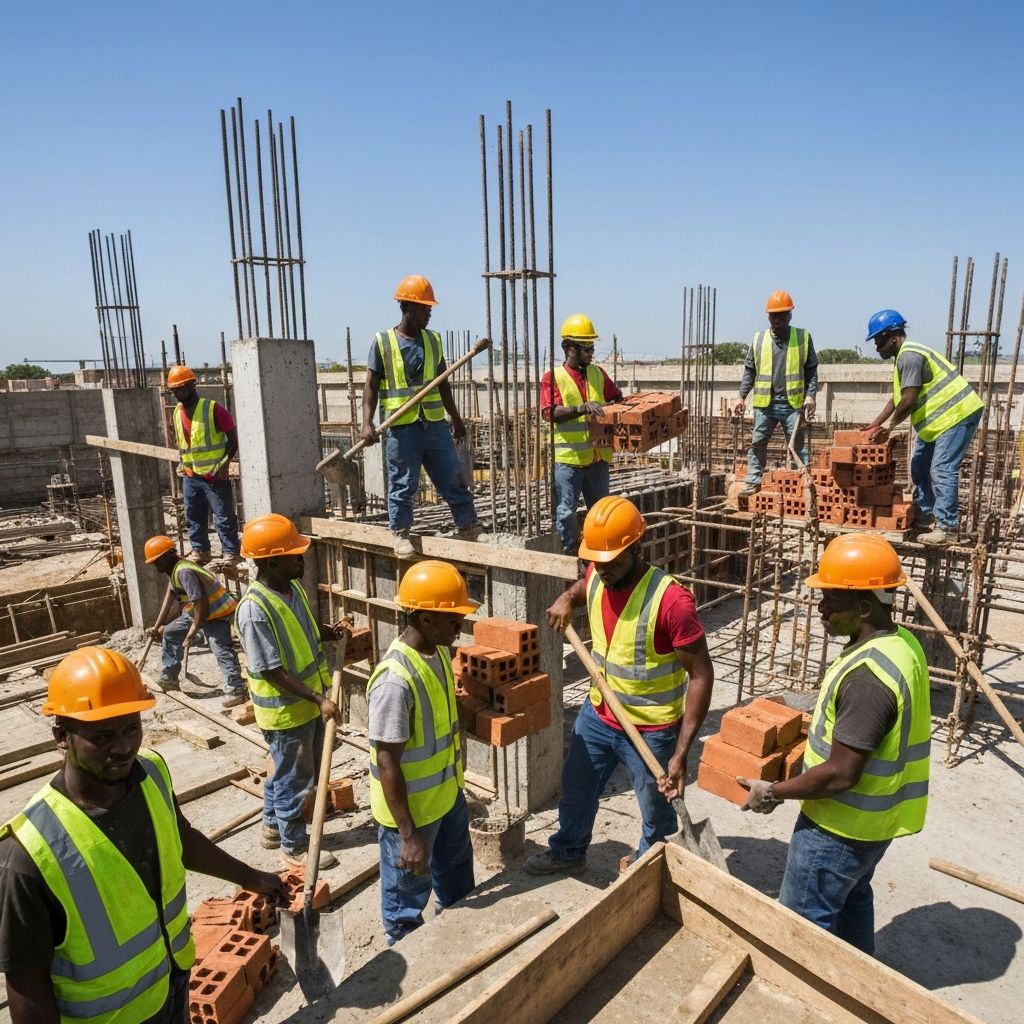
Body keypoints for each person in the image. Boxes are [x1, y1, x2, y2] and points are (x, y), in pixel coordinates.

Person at [0, 646, 284, 1024]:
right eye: (101, 737)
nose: (122, 748)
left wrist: (250, 877)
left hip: (174, 979)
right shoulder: (29, 852)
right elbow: (28, 987)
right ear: (61, 735)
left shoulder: (150, 770)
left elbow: (180, 838)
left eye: (131, 728)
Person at [738, 534, 930, 955]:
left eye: (831, 601)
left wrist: (772, 792)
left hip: (838, 829)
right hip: (874, 828)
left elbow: (842, 772)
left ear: (864, 607)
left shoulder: (869, 676)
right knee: (852, 902)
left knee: (801, 929)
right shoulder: (901, 644)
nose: (820, 609)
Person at [524, 496, 715, 874]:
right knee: (576, 792)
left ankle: (649, 866)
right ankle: (568, 851)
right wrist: (565, 598)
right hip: (599, 715)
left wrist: (680, 752)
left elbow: (701, 676)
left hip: (651, 730)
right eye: (596, 560)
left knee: (656, 813)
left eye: (612, 561)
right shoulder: (597, 571)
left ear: (637, 548)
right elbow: (584, 587)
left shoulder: (671, 602)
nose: (603, 569)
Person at [366, 560, 476, 945]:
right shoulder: (395, 681)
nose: (459, 626)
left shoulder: (438, 652)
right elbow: (387, 761)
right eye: (452, 619)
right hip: (412, 818)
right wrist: (409, 836)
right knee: (405, 909)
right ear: (425, 619)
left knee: (459, 886)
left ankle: (456, 942)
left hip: (446, 801)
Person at [235, 513, 349, 868]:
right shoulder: (254, 610)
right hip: (286, 711)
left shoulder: (291, 586)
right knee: (295, 780)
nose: (302, 559)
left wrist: (326, 632)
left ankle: (271, 827)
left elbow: (302, 628)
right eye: (294, 554)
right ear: (271, 561)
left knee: (287, 773)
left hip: (306, 705)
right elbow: (271, 670)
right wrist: (319, 700)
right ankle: (295, 846)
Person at [360, 275, 483, 558]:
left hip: (434, 423)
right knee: (403, 483)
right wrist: (367, 423)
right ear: (407, 308)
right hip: (402, 427)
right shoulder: (383, 342)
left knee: (453, 475)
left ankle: (467, 524)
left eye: (430, 309)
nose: (429, 314)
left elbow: (443, 383)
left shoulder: (433, 340)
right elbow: (371, 386)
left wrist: (456, 418)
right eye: (424, 309)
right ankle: (400, 534)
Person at [862, 309, 984, 545]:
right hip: (938, 424)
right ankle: (925, 516)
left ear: (893, 338)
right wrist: (875, 424)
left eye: (879, 341)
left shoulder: (909, 356)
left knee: (941, 468)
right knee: (919, 465)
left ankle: (947, 528)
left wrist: (889, 427)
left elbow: (909, 399)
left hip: (957, 415)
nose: (877, 347)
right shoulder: (903, 358)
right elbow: (897, 398)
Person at [540, 313, 624, 556]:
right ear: (569, 349)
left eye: (592, 347)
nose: (591, 353)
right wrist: (581, 408)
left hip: (597, 459)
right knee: (566, 512)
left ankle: (597, 553)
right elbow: (549, 412)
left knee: (601, 512)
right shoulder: (553, 377)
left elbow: (616, 398)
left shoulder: (598, 373)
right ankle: (569, 555)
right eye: (586, 348)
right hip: (569, 460)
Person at [142, 534, 246, 706]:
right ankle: (169, 678)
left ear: (168, 556)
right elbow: (170, 597)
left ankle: (236, 687)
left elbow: (200, 601)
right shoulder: (174, 569)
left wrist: (194, 629)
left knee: (220, 648)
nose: (156, 567)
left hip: (215, 612)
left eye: (157, 562)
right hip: (200, 612)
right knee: (170, 632)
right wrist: (157, 626)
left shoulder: (184, 571)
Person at [732, 290, 818, 495]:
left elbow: (811, 369)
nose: (777, 319)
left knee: (797, 447)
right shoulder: (758, 339)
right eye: (773, 315)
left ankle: (802, 486)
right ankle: (753, 482)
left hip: (792, 404)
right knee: (757, 444)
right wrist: (740, 396)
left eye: (782, 315)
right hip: (765, 405)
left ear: (790, 315)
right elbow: (750, 371)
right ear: (768, 316)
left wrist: (811, 394)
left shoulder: (802, 337)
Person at [167, 364, 240, 566]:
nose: (176, 393)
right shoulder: (177, 412)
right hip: (191, 476)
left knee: (223, 517)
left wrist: (223, 465)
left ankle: (231, 553)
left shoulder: (212, 409)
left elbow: (233, 441)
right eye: (173, 390)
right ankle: (201, 551)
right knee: (194, 516)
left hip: (213, 476)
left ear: (191, 385)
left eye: (180, 388)